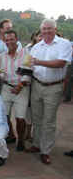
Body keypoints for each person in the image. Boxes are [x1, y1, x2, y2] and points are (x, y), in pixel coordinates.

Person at [26, 19, 72, 165]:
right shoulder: (36, 47)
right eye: (44, 29)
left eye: (49, 29)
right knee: (37, 118)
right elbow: (30, 67)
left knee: (49, 120)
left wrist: (39, 62)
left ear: (55, 29)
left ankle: (45, 151)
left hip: (53, 86)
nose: (46, 31)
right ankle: (37, 144)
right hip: (37, 85)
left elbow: (61, 63)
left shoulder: (64, 44)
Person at [0, 30, 31, 150]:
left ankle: (21, 139)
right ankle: (11, 135)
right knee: (4, 115)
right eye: (7, 40)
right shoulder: (3, 54)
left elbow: (28, 72)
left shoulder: (26, 53)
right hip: (6, 88)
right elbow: (2, 72)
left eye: (11, 39)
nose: (9, 42)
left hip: (21, 89)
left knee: (20, 117)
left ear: (16, 39)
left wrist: (20, 85)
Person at [24, 29, 42, 140]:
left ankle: (38, 134)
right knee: (29, 107)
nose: (41, 38)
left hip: (41, 81)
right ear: (34, 37)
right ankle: (28, 132)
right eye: (39, 35)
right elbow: (26, 64)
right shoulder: (28, 49)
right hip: (30, 81)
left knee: (39, 109)